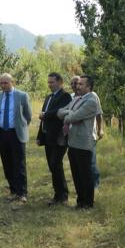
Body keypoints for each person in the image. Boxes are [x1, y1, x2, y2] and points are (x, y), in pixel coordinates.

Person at [58, 75, 102, 209]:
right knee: (76, 174)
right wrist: (70, 114)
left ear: (89, 87)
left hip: (83, 143)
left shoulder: (91, 101)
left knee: (85, 174)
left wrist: (70, 115)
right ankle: (80, 201)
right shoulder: (77, 98)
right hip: (72, 141)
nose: (78, 86)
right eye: (78, 84)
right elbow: (60, 112)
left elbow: (72, 117)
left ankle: (88, 203)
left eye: (81, 84)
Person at [0, 73, 32, 203]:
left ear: (12, 82)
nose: (3, 85)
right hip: (3, 134)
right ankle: (13, 190)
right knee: (7, 163)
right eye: (1, 83)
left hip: (16, 133)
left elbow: (28, 115)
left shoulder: (22, 96)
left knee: (19, 163)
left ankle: (22, 192)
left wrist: (21, 126)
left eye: (6, 83)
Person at [36, 71, 72, 205]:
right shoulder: (48, 97)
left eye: (52, 82)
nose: (49, 85)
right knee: (52, 166)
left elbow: (60, 113)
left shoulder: (65, 96)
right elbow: (42, 119)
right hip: (48, 137)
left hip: (59, 137)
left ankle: (62, 195)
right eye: (48, 82)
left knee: (56, 164)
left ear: (60, 82)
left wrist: (45, 114)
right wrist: (40, 136)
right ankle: (58, 194)